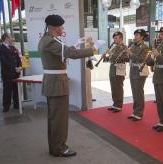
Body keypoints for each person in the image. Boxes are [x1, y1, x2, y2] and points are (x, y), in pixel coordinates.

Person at [38, 14, 95, 157]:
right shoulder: (50, 41)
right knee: (59, 119)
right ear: (54, 27)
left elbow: (64, 51)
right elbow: (70, 53)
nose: (62, 28)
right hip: (57, 84)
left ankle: (55, 147)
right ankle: (60, 148)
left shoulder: (48, 40)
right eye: (61, 26)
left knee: (54, 118)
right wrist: (92, 49)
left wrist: (74, 46)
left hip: (54, 83)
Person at [0, 33, 21, 112]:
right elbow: (3, 60)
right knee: (7, 90)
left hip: (16, 72)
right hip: (7, 73)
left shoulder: (12, 47)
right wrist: (14, 67)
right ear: (6, 38)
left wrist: (19, 66)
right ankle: (6, 106)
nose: (12, 38)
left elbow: (17, 57)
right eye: (10, 37)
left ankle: (17, 105)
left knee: (16, 89)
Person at [127, 29, 149, 121]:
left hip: (140, 71)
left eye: (137, 35)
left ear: (142, 37)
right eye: (135, 35)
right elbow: (130, 57)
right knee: (134, 92)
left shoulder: (144, 47)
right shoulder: (133, 45)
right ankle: (135, 111)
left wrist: (130, 54)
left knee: (138, 92)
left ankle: (139, 113)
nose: (135, 37)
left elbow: (141, 59)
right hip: (133, 70)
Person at [104, 32, 129, 112]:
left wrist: (110, 53)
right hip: (112, 68)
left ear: (121, 38)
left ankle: (119, 105)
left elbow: (120, 58)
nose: (115, 40)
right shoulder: (114, 47)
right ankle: (115, 104)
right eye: (114, 38)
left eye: (117, 38)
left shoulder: (124, 47)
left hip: (119, 68)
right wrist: (105, 57)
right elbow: (111, 59)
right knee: (113, 86)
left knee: (118, 86)